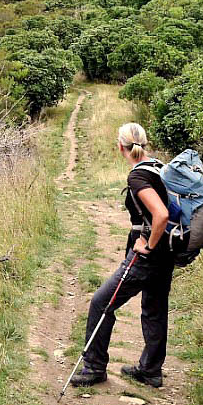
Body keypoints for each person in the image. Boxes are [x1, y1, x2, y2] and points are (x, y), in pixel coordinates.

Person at [70, 122, 174, 389]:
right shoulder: (160, 167)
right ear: (145, 143)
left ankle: (94, 367)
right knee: (154, 309)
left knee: (101, 302)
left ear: (120, 147)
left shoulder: (137, 177)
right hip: (167, 253)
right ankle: (150, 371)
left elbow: (161, 214)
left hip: (149, 255)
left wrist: (148, 245)